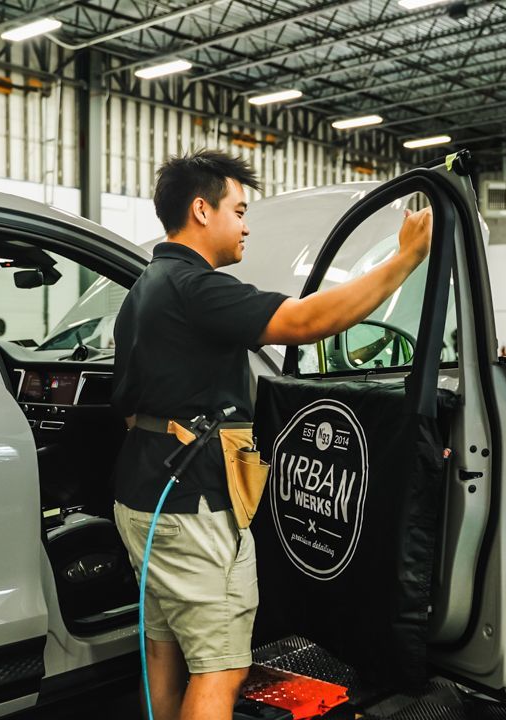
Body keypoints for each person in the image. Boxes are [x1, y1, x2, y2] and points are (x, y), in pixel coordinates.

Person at [110, 149, 433, 720]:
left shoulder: (146, 289)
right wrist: (404, 260)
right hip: (192, 506)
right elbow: (308, 321)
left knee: (163, 650)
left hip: (141, 496)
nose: (246, 224)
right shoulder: (197, 288)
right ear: (202, 210)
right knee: (221, 666)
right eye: (239, 210)